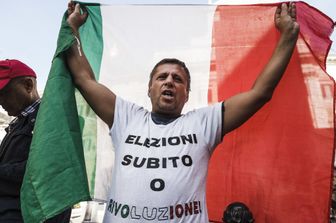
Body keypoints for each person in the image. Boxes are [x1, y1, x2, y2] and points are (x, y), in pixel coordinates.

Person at [66, 2, 299, 222]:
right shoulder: (126, 116)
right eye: (162, 77)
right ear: (149, 89)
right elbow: (83, 78)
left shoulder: (204, 123)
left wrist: (288, 37)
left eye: (177, 79)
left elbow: (260, 93)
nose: (169, 82)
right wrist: (72, 28)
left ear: (186, 94)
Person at [0, 59, 71, 223]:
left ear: (28, 85)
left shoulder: (52, 118)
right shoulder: (19, 122)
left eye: (4, 93)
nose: (0, 101)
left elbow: (41, 172)